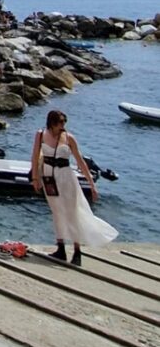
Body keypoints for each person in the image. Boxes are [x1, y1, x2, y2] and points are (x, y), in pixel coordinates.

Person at [31, 110, 118, 266]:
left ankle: (77, 251)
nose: (63, 125)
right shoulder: (40, 134)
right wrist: (35, 178)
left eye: (64, 122)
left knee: (72, 213)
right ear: (52, 123)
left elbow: (80, 162)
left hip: (66, 178)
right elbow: (35, 156)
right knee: (56, 211)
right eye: (60, 122)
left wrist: (91, 184)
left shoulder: (69, 138)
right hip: (49, 177)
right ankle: (61, 248)